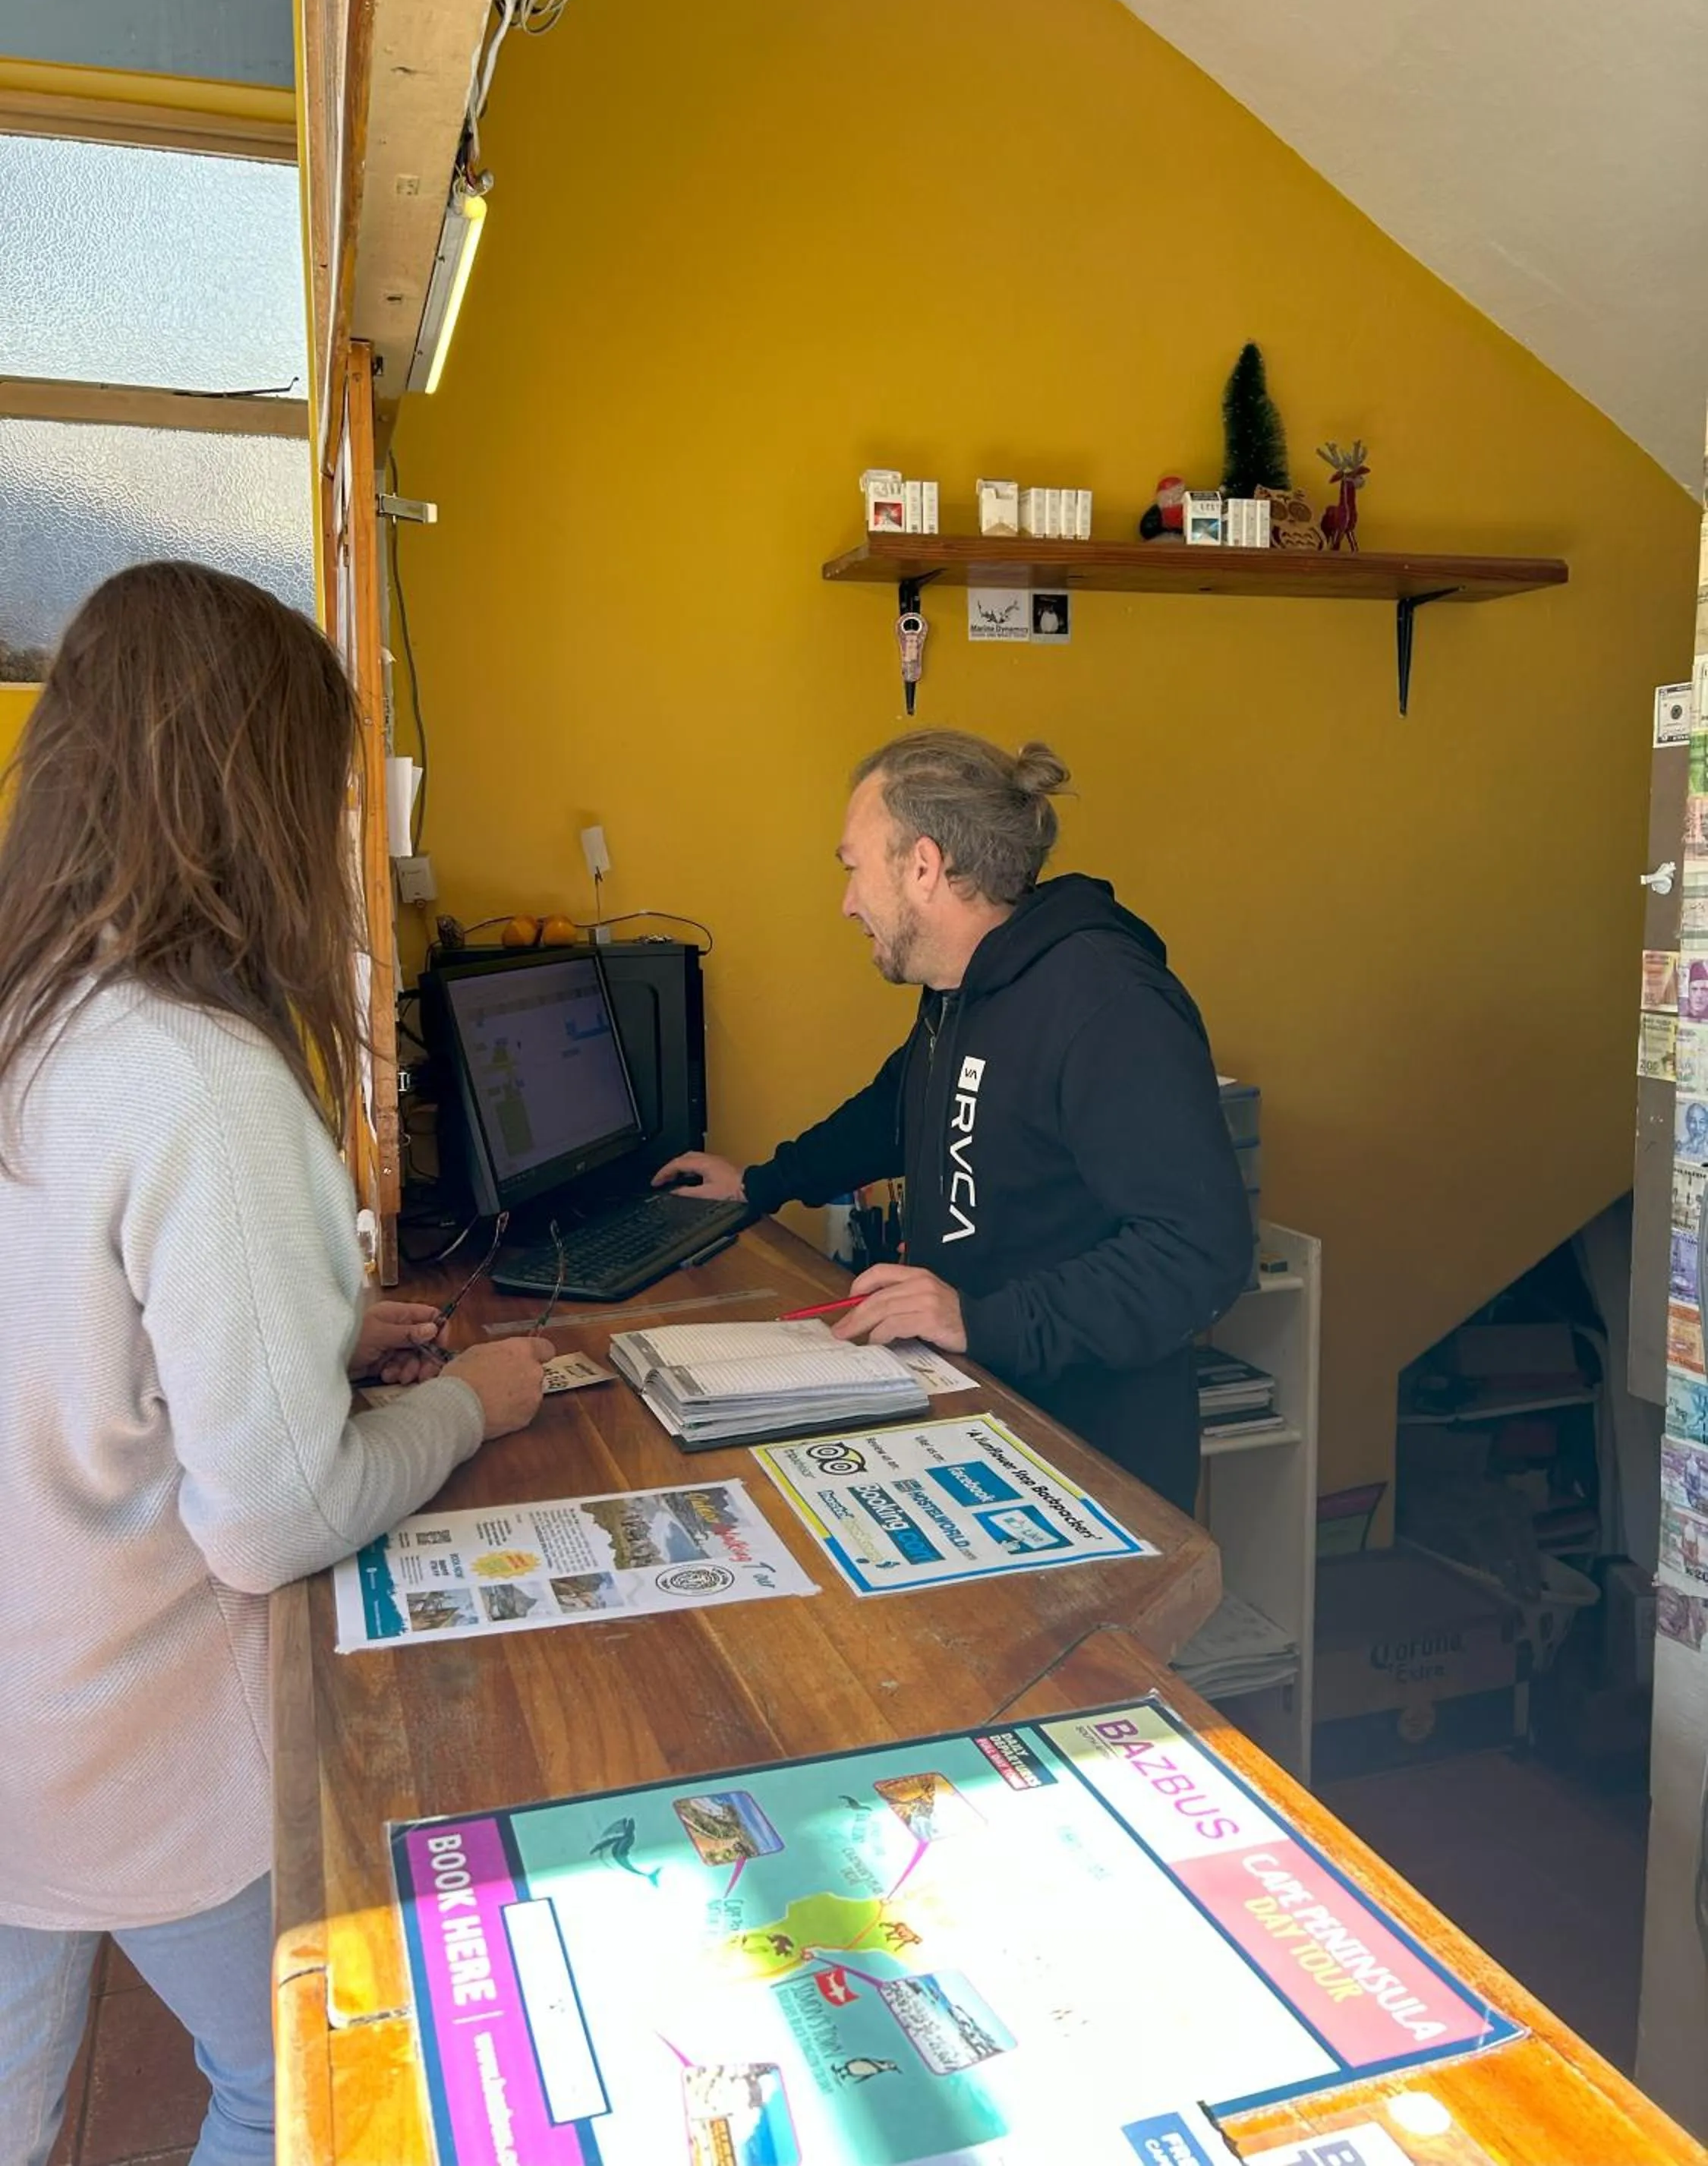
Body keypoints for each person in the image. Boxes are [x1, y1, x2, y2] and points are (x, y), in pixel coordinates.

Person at [0, 563, 553, 2166]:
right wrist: (470, 1402)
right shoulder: (198, 1074)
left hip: (19, 1706)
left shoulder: (37, 1018)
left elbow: (82, 1357)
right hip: (134, 1746)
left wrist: (309, 1336)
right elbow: (272, 1511)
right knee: (306, 2099)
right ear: (258, 796)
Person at [657, 730, 1252, 1512]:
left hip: (1093, 1465)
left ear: (924, 866)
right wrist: (762, 1184)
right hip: (982, 1415)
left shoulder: (1108, 1003)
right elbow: (898, 1106)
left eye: (851, 868)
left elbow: (1198, 1253)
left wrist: (983, 1319)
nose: (845, 902)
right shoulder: (960, 988)